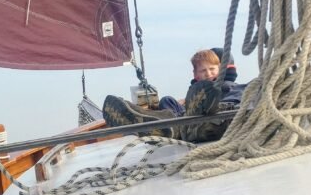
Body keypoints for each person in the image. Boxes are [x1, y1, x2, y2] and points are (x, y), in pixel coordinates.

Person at [103, 48, 247, 142]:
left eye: (212, 69)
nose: (208, 74)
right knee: (168, 101)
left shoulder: (234, 87)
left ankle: (175, 127)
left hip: (222, 113)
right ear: (196, 74)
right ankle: (169, 124)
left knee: (234, 95)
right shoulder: (196, 92)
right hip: (195, 117)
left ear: (222, 69)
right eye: (203, 71)